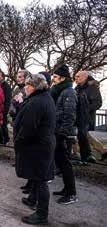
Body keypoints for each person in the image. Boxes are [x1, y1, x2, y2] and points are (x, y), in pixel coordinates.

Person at [14, 74, 56, 225]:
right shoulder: (44, 97)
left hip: (37, 145)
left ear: (36, 87)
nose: (25, 87)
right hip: (43, 143)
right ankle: (32, 199)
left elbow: (28, 127)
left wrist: (19, 141)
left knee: (41, 179)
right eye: (26, 84)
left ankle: (41, 214)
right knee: (37, 175)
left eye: (29, 85)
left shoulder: (37, 102)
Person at [50, 64, 78, 205]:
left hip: (63, 134)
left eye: (55, 77)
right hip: (57, 131)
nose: (53, 79)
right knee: (61, 162)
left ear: (62, 78)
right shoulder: (59, 91)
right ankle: (66, 189)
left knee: (65, 163)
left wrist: (63, 134)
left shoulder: (69, 92)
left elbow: (69, 116)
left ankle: (71, 193)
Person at [74, 71, 102, 163]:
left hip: (86, 117)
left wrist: (86, 110)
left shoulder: (92, 88)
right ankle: (84, 156)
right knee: (80, 135)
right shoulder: (77, 88)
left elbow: (98, 102)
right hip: (77, 116)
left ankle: (86, 156)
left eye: (78, 76)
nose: (76, 78)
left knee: (83, 135)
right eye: (75, 76)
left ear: (85, 77)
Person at [0, 71, 12, 145]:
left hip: (3, 109)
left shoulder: (6, 86)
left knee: (3, 125)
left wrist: (5, 110)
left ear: (3, 77)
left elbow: (8, 99)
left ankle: (6, 139)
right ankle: (0, 138)